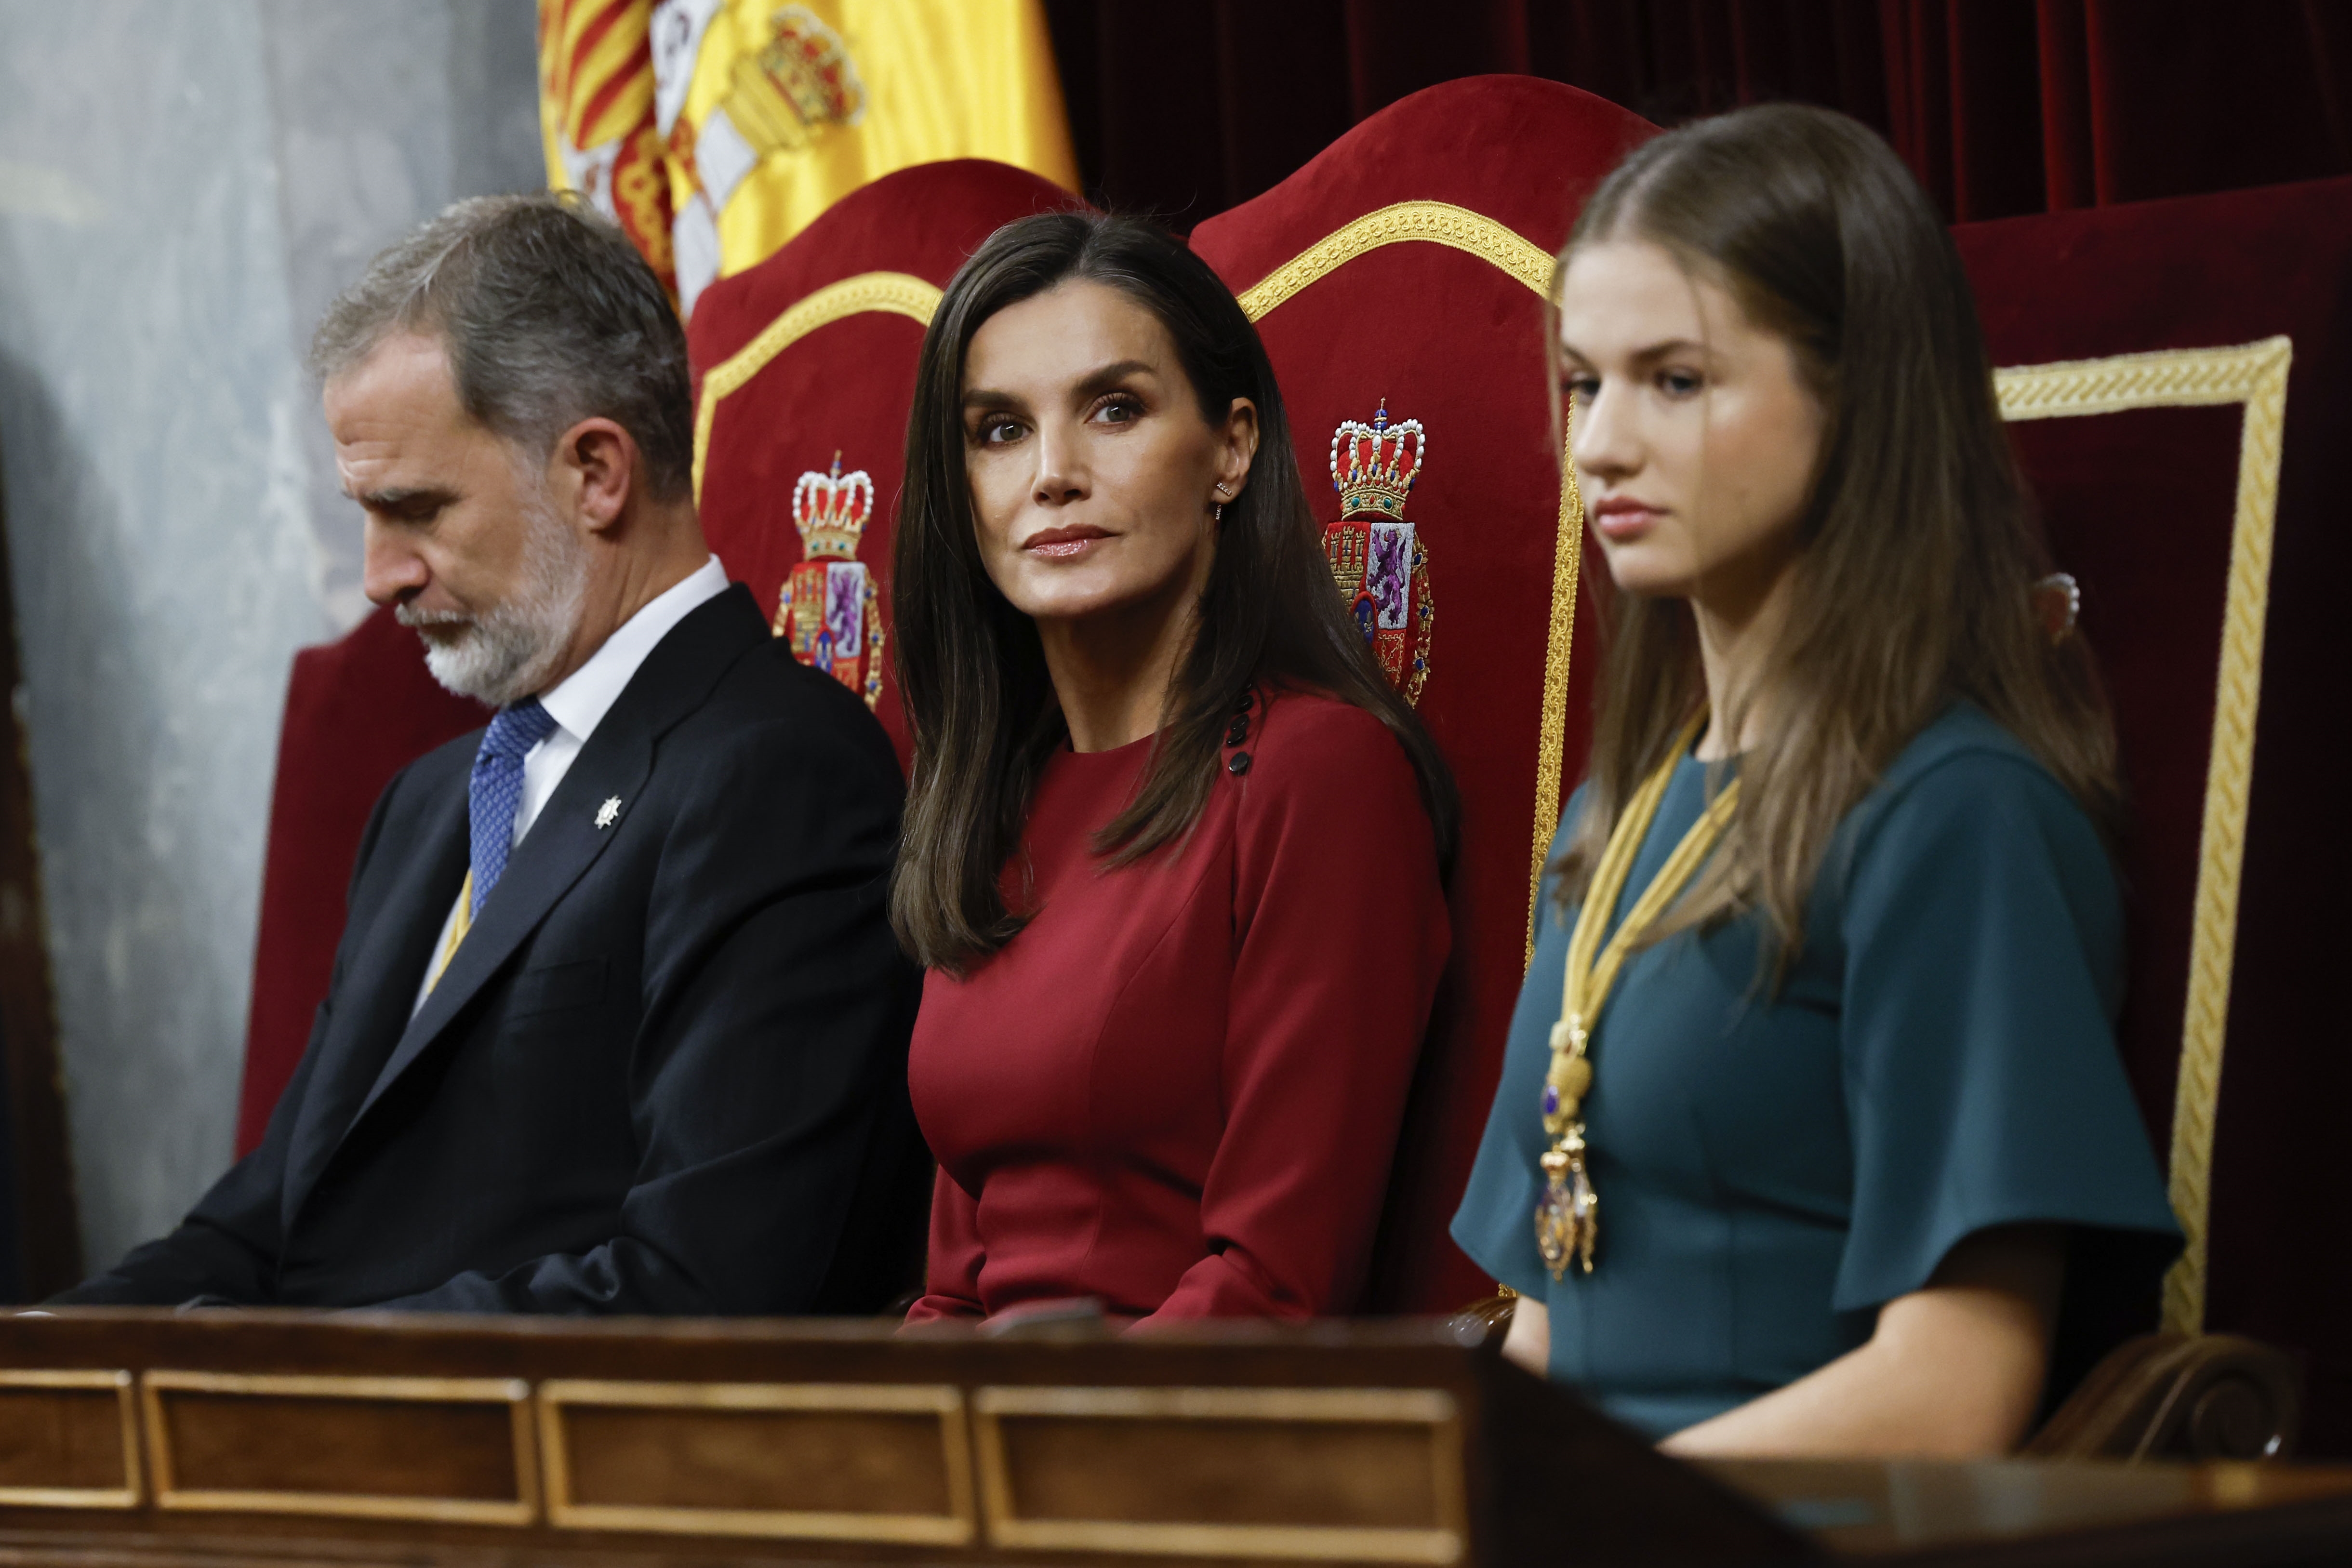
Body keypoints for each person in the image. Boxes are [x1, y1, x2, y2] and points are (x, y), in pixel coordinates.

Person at [1451, 105, 2179, 1454]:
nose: (1600, 442)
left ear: (1857, 400)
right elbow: (1545, 1323)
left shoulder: (1955, 814)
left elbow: (1952, 1391)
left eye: (1673, 379)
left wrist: (1583, 1521)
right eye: (1579, 381)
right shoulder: (1611, 817)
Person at [52, 195, 929, 1314]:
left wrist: (291, 1388)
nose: (380, 576)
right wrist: (39, 1365)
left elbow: (704, 1285)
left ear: (596, 473)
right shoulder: (426, 802)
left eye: (414, 509)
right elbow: (269, 1221)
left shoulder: (775, 774)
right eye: (365, 515)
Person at [892, 212, 1458, 1328]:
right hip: (984, 1448)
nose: (1052, 475)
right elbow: (954, 1290)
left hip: (1183, 1443)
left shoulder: (1318, 773)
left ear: (1231, 449)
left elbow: (1276, 1286)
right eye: (998, 430)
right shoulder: (992, 798)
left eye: (1113, 410)